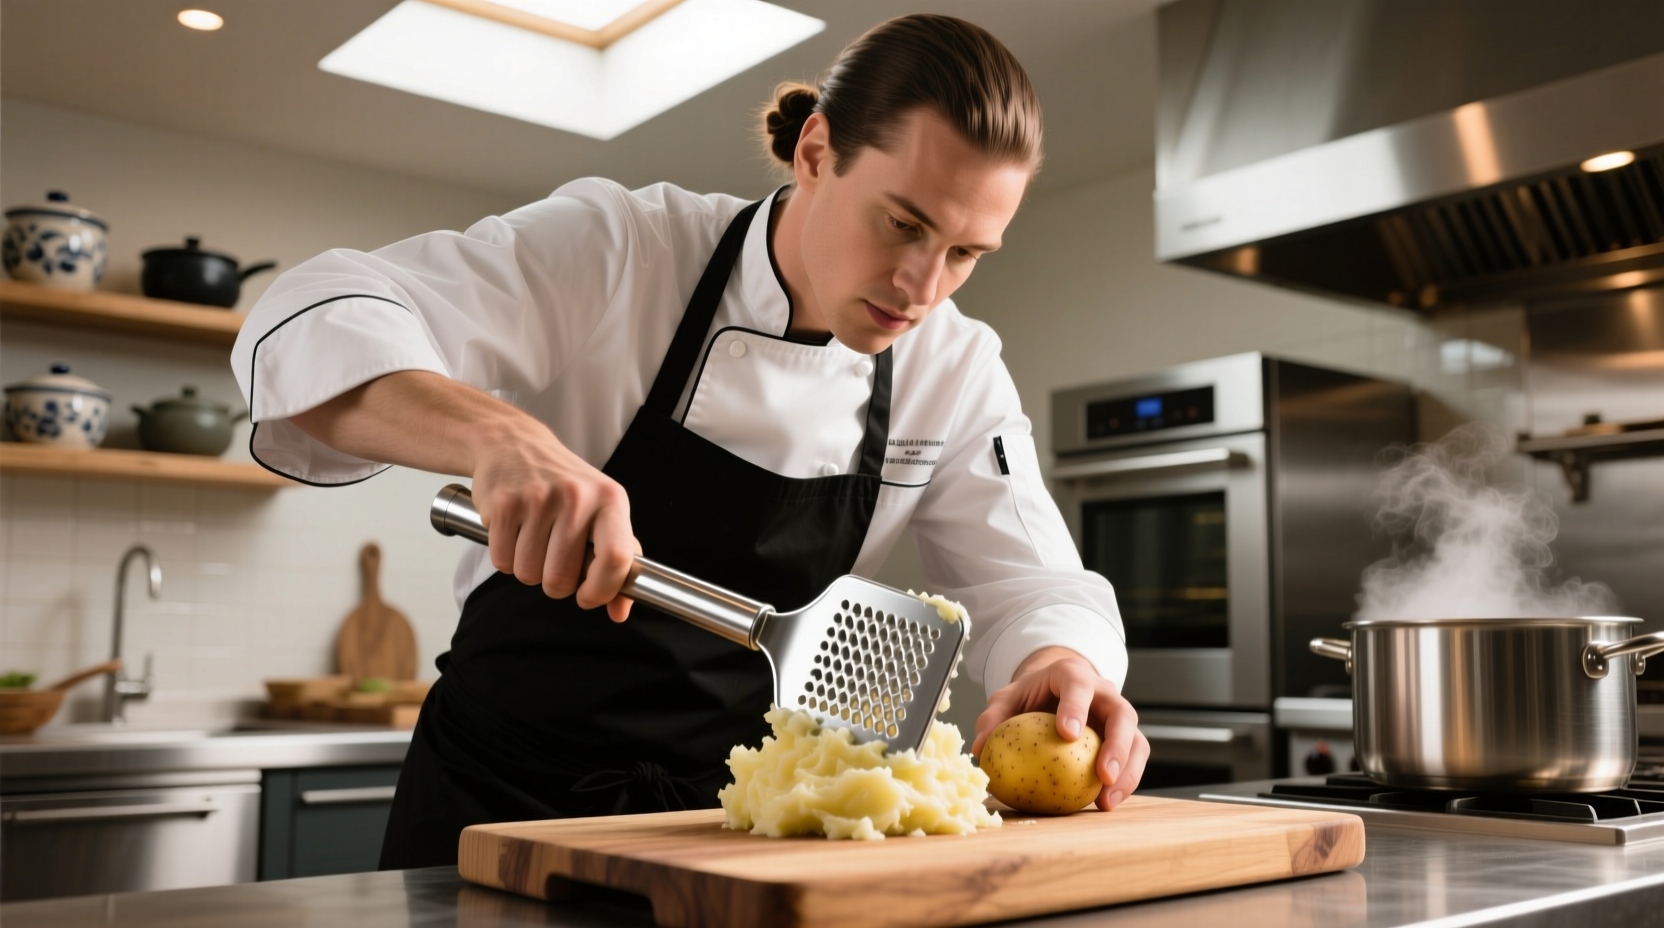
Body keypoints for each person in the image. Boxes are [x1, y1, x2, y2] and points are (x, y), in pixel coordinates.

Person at [232, 13, 1148, 869]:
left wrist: (1061, 664)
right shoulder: (626, 249)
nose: (920, 285)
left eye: (964, 254)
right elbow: (307, 318)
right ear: (817, 151)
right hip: (496, 804)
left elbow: (1029, 581)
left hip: (731, 833)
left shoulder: (955, 368)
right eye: (903, 224)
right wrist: (496, 435)